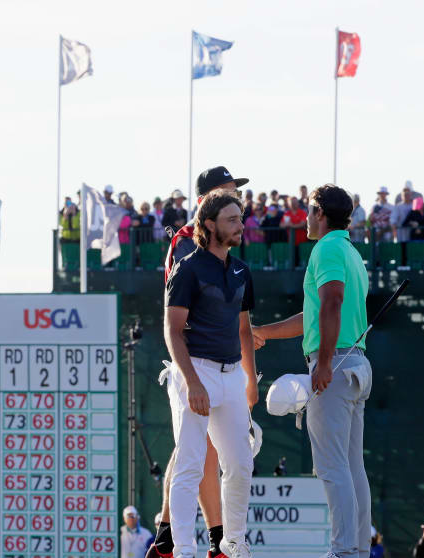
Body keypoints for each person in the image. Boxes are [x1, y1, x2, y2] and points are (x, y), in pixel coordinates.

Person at [253, 184, 371, 558]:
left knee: (333, 468)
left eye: (308, 209)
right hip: (354, 363)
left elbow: (332, 302)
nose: (305, 216)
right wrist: (264, 333)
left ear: (320, 212)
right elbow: (316, 315)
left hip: (334, 364)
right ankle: (357, 549)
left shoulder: (328, 248)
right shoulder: (349, 250)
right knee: (352, 469)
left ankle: (344, 551)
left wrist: (321, 363)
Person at [150, 167, 252, 558]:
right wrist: (190, 377)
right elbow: (176, 322)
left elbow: (240, 321)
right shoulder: (186, 249)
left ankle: (210, 537)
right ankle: (190, 541)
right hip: (194, 363)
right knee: (194, 457)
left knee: (230, 461)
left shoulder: (239, 265)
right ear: (208, 204)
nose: (238, 200)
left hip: (226, 367)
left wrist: (247, 372)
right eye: (229, 193)